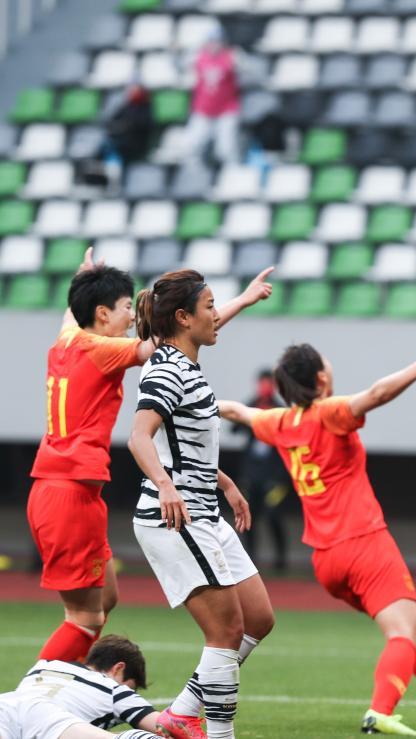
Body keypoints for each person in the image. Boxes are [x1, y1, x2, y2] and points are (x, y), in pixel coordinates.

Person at [26, 249, 273, 668]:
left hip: (67, 489)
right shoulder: (101, 349)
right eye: (126, 307)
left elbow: (72, 314)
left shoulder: (65, 339)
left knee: (106, 599)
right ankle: (31, 698)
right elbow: (174, 340)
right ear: (102, 314)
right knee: (85, 619)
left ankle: (70, 686)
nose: (132, 317)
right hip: (68, 493)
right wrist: (242, 302)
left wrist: (84, 276)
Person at [218, 340, 416, 736]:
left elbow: (236, 410)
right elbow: (377, 394)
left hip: (326, 560)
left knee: (405, 631)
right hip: (363, 543)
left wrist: (190, 401)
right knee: (402, 632)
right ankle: (379, 712)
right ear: (321, 378)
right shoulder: (329, 413)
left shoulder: (280, 422)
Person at [129, 269, 276, 739]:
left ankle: (181, 712)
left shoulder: (184, 360)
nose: (216, 315)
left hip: (204, 509)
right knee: (226, 632)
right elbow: (139, 437)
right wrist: (165, 485)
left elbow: (184, 449)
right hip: (175, 516)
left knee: (258, 619)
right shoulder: (168, 371)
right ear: (182, 317)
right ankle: (216, 733)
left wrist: (224, 482)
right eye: (209, 306)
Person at [5, 635, 190, 739]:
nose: (130, 692)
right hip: (50, 721)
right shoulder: (116, 690)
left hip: (6, 703)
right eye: (131, 687)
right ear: (118, 668)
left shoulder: (45, 665)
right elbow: (168, 727)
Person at [233, 369, 289, 572]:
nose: (265, 387)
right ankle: (250, 558)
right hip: (251, 473)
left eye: (268, 383)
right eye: (262, 383)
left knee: (273, 515)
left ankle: (281, 559)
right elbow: (234, 429)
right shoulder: (251, 405)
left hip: (274, 476)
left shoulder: (280, 409)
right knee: (249, 515)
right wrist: (254, 414)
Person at [184, 26, 240, 164]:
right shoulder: (198, 57)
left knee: (226, 149)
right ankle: (194, 172)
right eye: (211, 41)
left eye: (217, 41)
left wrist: (240, 62)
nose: (214, 45)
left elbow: (249, 72)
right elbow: (179, 66)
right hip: (203, 109)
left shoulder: (232, 57)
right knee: (192, 145)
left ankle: (231, 172)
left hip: (226, 109)